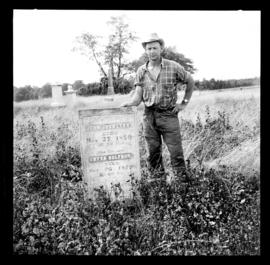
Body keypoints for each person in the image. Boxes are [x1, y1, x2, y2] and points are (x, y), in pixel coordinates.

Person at [121, 33, 195, 182]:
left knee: (176, 153)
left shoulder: (173, 66)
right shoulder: (141, 71)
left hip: (168, 116)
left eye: (155, 48)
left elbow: (190, 81)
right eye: (149, 48)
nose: (152, 51)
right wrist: (129, 103)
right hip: (149, 117)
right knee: (153, 154)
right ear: (145, 50)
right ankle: (158, 186)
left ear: (161, 48)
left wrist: (184, 103)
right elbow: (138, 96)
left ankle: (182, 186)